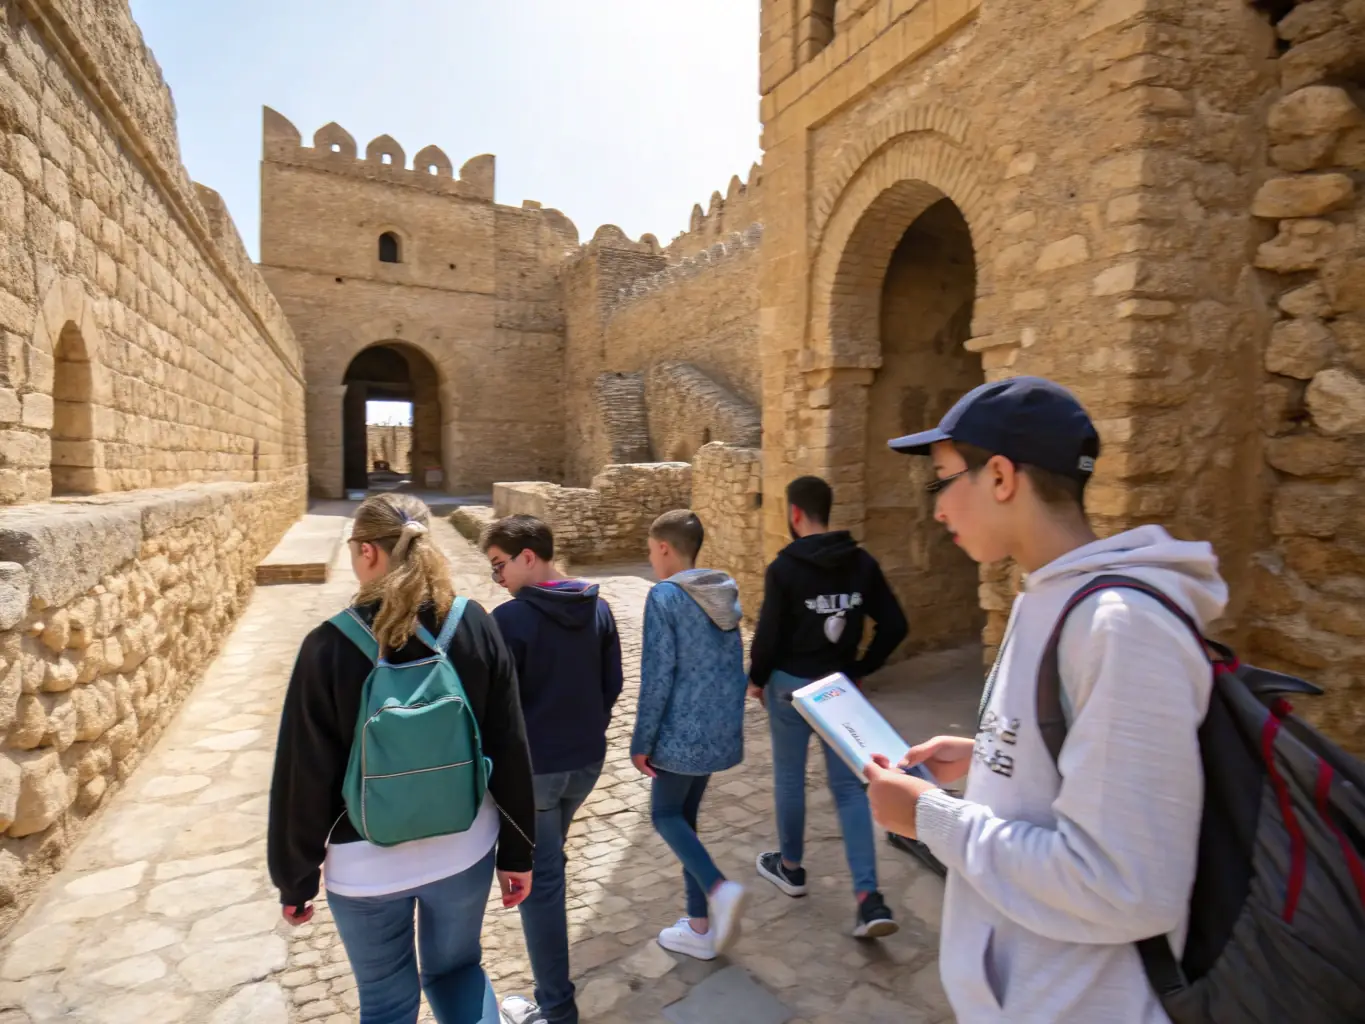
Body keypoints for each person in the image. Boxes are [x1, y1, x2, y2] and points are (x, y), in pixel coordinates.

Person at [863, 376, 1226, 1022]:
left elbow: (1123, 886)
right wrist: (990, 755)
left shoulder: (1120, 626)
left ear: (1000, 476)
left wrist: (931, 820)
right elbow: (1089, 762)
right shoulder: (1047, 598)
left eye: (941, 480)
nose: (937, 509)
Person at [268, 493, 536, 1024]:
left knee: (387, 1003)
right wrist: (518, 852)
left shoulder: (327, 647)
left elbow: (304, 775)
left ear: (368, 551)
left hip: (364, 867)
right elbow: (509, 743)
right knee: (458, 973)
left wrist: (295, 879)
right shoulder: (475, 624)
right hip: (464, 847)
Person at [747, 475, 909, 939]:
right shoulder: (861, 563)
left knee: (789, 777)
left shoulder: (785, 568)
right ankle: (868, 898)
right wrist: (861, 667)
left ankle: (792, 868)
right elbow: (896, 624)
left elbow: (770, 634)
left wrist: (757, 679)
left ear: (795, 514)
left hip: (791, 688)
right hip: (840, 690)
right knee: (851, 790)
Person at [480, 515, 623, 1024]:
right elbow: (612, 687)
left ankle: (556, 1009)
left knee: (540, 881)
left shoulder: (510, 621)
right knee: (549, 862)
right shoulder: (599, 609)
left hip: (536, 775)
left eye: (500, 566)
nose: (498, 579)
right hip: (584, 765)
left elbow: (494, 710)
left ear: (528, 556)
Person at [630, 510, 750, 961]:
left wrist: (641, 742)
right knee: (686, 820)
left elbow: (656, 675)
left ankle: (718, 889)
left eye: (649, 549)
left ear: (663, 547)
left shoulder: (664, 597)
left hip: (679, 736)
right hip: (717, 730)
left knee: (664, 815)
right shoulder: (723, 590)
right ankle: (699, 925)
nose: (650, 558)